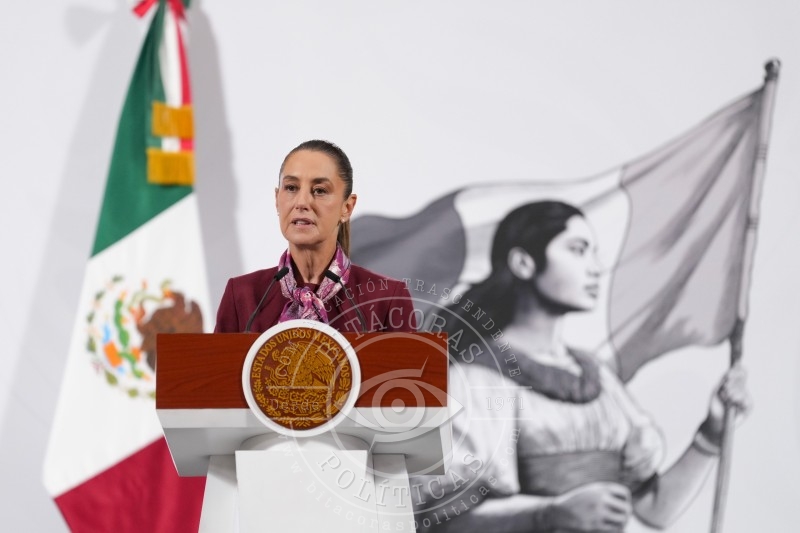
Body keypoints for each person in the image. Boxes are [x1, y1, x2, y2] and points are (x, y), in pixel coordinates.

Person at [411, 201, 750, 532]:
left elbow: (654, 509)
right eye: (578, 250)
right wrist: (550, 514)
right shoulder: (477, 378)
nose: (596, 267)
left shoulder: (597, 376)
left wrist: (711, 434)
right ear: (523, 263)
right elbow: (447, 520)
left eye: (594, 252)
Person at [215, 140, 416, 334]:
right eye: (291, 188)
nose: (302, 202)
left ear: (347, 207)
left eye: (319, 191)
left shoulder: (387, 298)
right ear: (277, 199)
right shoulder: (241, 295)